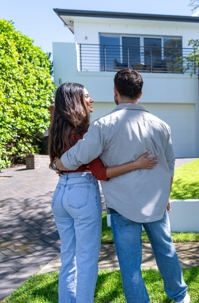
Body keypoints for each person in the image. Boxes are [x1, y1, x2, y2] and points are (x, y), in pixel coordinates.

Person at [55, 69, 190, 303]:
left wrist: (59, 163)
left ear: (116, 92)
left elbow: (79, 155)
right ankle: (180, 296)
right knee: (166, 251)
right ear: (140, 93)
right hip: (156, 204)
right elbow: (170, 165)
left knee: (130, 265)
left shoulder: (103, 125)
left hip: (122, 206)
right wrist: (166, 195)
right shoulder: (161, 126)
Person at [48, 82, 158, 303]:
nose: (92, 100)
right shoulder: (85, 132)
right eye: (87, 96)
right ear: (75, 101)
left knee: (69, 258)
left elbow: (55, 164)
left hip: (60, 194)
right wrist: (136, 164)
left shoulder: (58, 130)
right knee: (87, 260)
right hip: (82, 192)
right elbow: (100, 172)